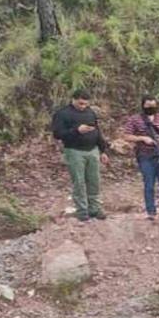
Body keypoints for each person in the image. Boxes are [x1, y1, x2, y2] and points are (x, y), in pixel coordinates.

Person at [51, 89, 111, 222]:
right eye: (80, 103)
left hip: (92, 150)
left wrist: (103, 150)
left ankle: (95, 208)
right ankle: (82, 210)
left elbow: (97, 132)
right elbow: (58, 134)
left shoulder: (90, 112)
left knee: (94, 181)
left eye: (85, 104)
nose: (83, 106)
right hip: (74, 151)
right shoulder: (62, 114)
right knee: (79, 182)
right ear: (73, 99)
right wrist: (77, 130)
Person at [124, 95, 159, 221]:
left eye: (153, 105)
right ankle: (151, 213)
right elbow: (126, 136)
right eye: (148, 105)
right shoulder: (135, 119)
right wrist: (142, 138)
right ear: (143, 105)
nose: (151, 107)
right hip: (145, 156)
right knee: (149, 185)